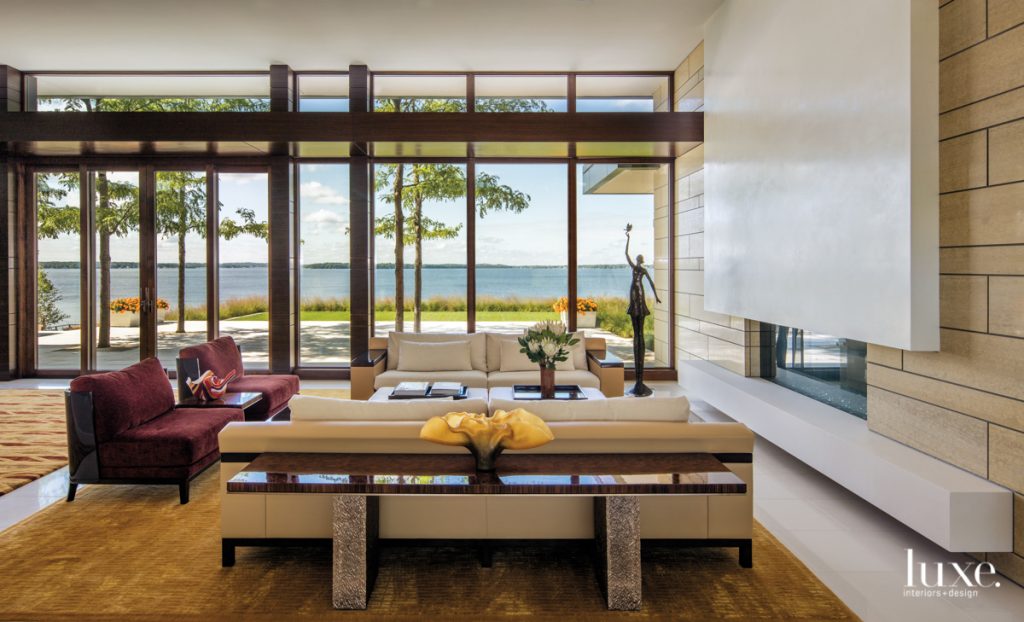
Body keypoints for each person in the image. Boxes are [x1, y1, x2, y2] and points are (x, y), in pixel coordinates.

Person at [625, 223, 661, 397]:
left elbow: (652, 284)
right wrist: (628, 239)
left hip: (639, 294)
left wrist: (657, 296)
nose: (639, 261)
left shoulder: (643, 270)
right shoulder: (635, 268)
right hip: (634, 294)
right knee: (637, 333)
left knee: (639, 333)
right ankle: (638, 381)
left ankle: (640, 381)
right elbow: (626, 254)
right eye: (639, 259)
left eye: (639, 259)